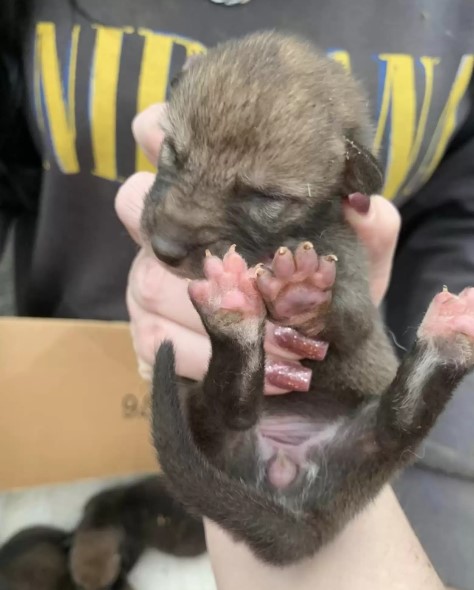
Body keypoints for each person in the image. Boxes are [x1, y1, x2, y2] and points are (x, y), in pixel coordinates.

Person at [0, 0, 473, 588]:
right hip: (82, 390)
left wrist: (446, 522)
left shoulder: (333, 237)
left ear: (348, 179)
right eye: (176, 155)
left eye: (262, 199)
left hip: (352, 447)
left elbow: (459, 221)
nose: (171, 228)